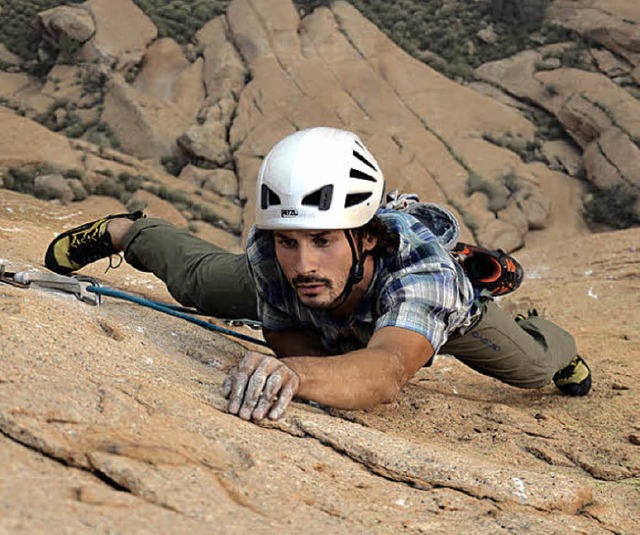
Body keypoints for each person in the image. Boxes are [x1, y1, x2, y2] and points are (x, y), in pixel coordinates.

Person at [44, 127, 591, 423]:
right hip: (338, 306)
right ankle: (126, 231)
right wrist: (306, 362)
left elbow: (386, 370)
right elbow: (283, 329)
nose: (303, 263)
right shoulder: (273, 253)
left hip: (432, 314)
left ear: (367, 236)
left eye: (323, 240)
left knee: (533, 369)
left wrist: (303, 377)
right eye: (290, 241)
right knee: (197, 283)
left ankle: (554, 340)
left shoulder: (423, 272)